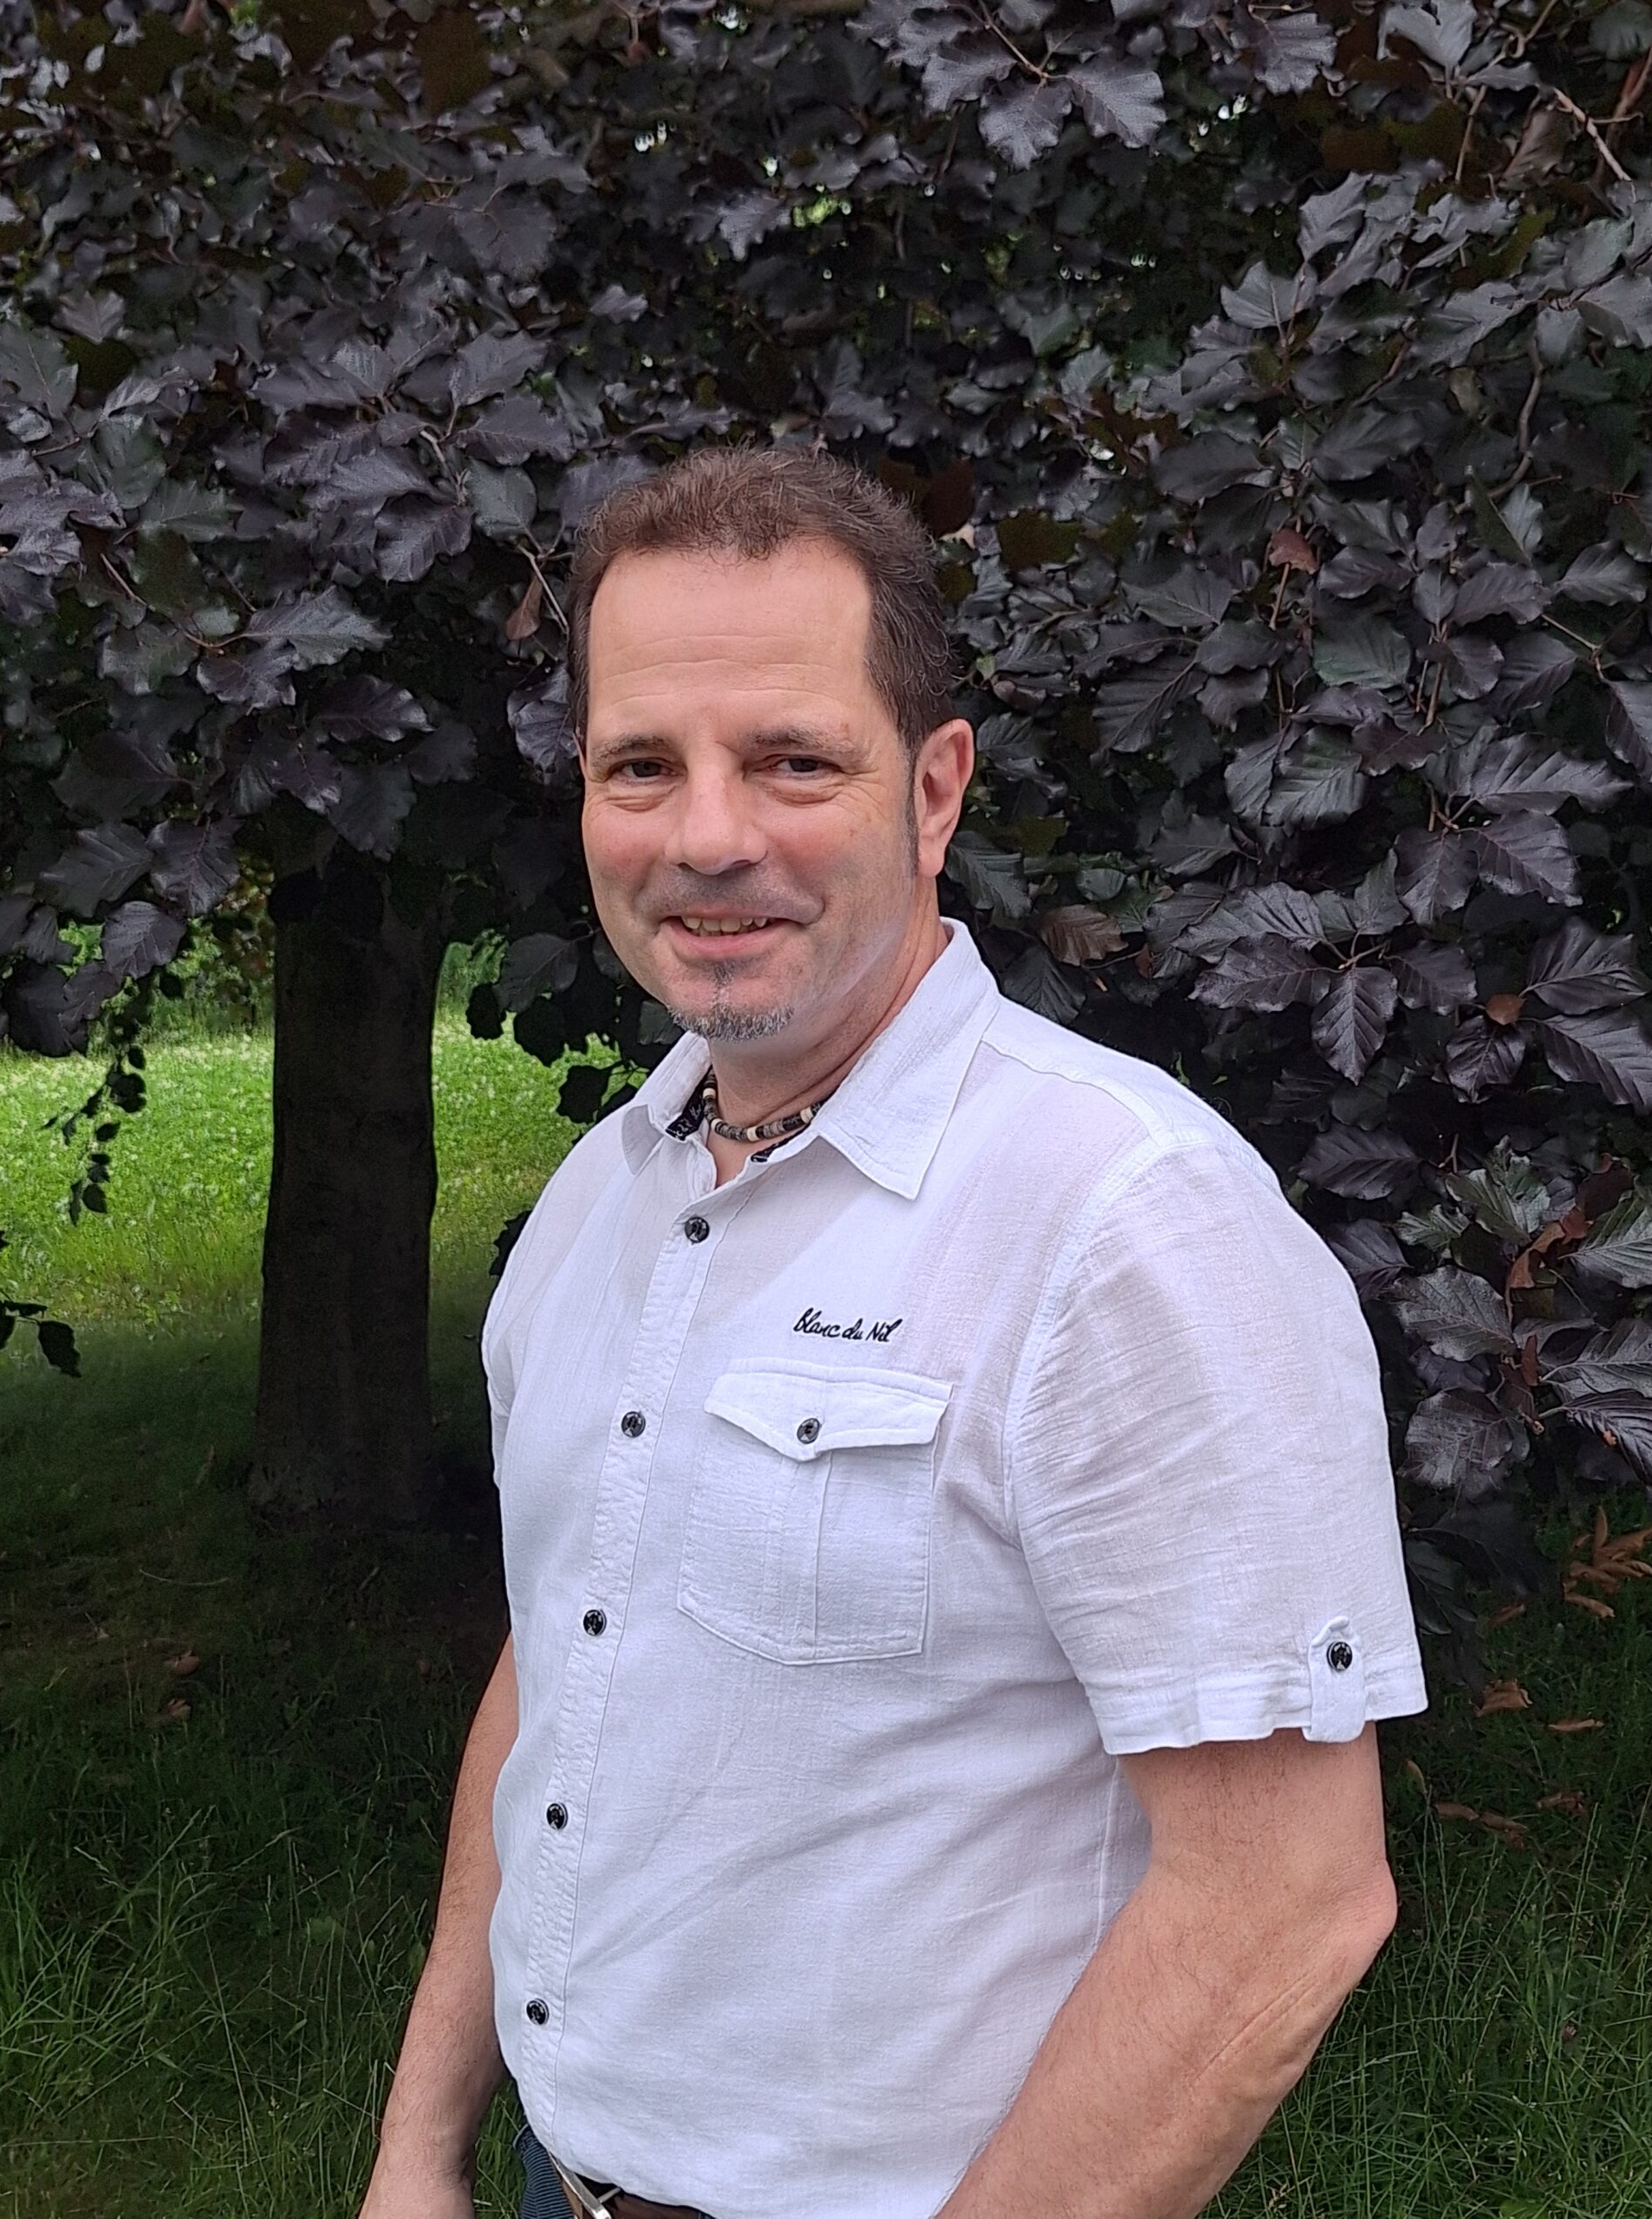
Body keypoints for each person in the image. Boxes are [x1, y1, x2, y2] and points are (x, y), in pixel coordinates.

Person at [357, 446, 1428, 2219]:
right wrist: (417, 2148)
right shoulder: (600, 1196)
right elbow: (567, 1652)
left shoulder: (1128, 1222)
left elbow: (1286, 1901)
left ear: (934, 791)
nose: (709, 836)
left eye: (794, 759)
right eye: (642, 764)